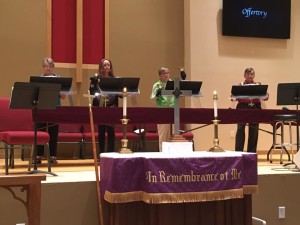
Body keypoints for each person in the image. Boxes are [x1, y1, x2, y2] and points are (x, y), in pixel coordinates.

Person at [33, 57, 64, 164]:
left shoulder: (58, 78)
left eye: (50, 66)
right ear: (43, 67)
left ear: (53, 67)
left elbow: (63, 96)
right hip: (41, 107)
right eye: (46, 66)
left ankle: (52, 156)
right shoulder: (39, 79)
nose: (48, 68)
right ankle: (38, 155)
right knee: (40, 131)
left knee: (53, 132)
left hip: (55, 107)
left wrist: (61, 91)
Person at [234, 67, 268, 153]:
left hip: (255, 107)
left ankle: (251, 153)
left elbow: (266, 97)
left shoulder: (258, 85)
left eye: (252, 74)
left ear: (254, 75)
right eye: (248, 74)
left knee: (254, 130)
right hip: (242, 107)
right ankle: (239, 152)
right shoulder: (240, 85)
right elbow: (233, 96)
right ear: (244, 75)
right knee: (240, 128)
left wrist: (265, 93)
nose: (250, 76)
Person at [89, 59, 118, 157]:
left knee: (111, 132)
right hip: (100, 108)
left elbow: (119, 93)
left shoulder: (114, 79)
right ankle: (101, 155)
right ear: (101, 67)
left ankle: (111, 155)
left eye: (108, 65)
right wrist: (94, 86)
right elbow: (91, 92)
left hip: (111, 108)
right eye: (104, 65)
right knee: (101, 132)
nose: (107, 67)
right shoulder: (96, 79)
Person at [150, 67, 175, 151]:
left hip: (173, 111)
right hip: (162, 111)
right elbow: (153, 97)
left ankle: (173, 154)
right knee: (163, 135)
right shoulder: (157, 85)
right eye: (164, 73)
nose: (166, 75)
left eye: (168, 73)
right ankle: (163, 154)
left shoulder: (174, 84)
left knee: (173, 135)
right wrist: (159, 92)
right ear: (160, 75)